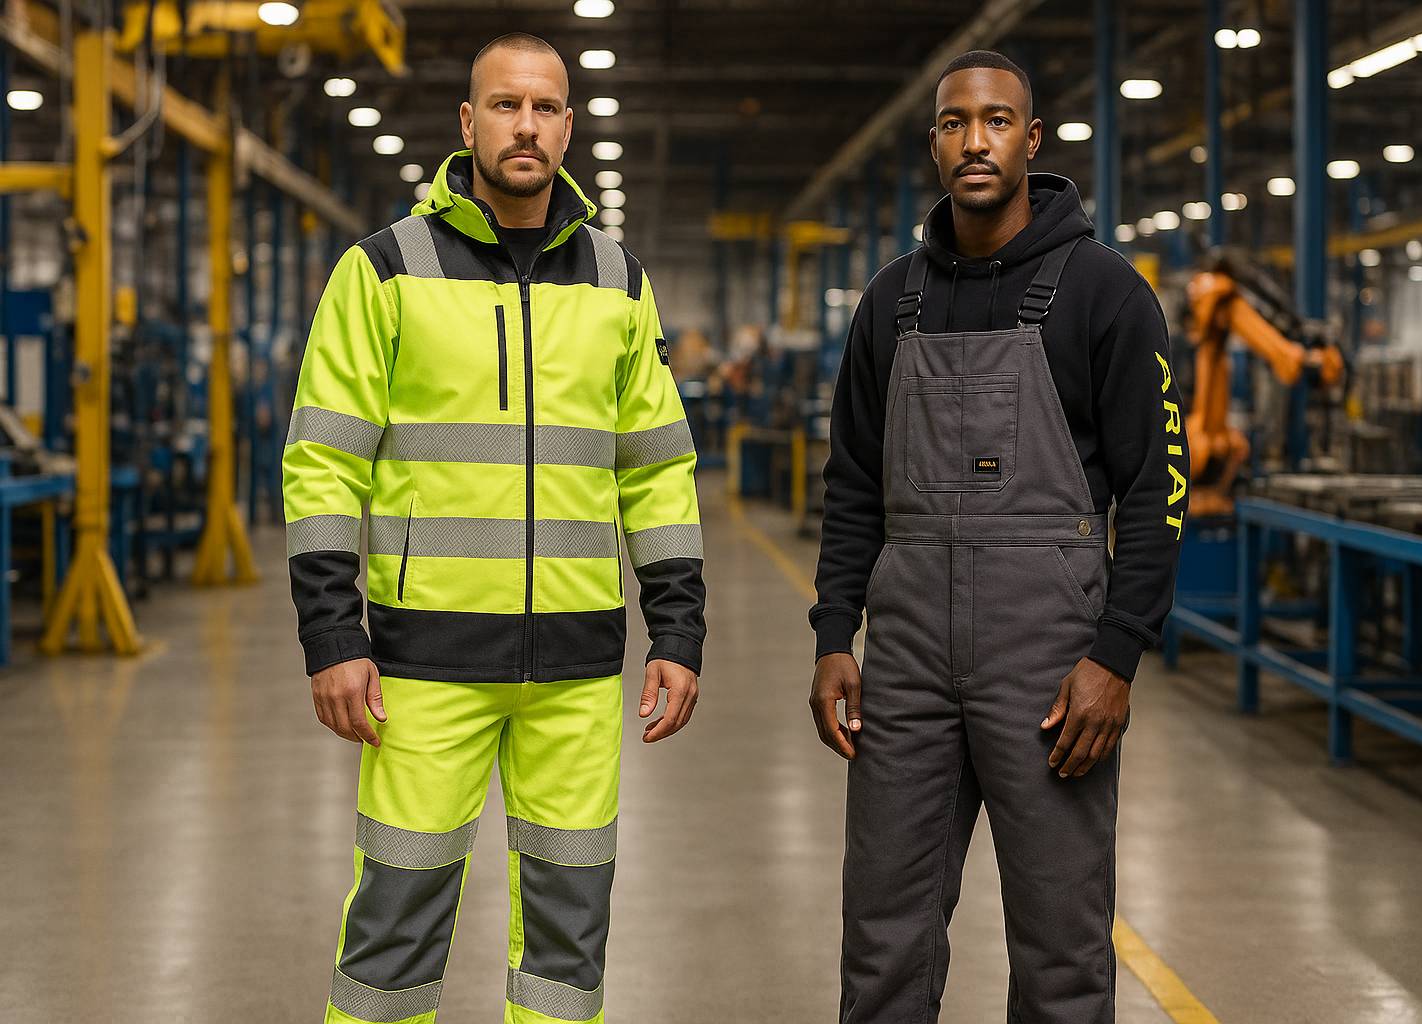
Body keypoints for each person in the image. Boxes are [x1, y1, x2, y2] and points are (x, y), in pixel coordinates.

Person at [282, 32, 705, 1024]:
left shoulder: (616, 279)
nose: (527, 124)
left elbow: (657, 468)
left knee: (569, 928)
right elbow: (323, 459)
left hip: (575, 673)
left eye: (546, 107)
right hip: (422, 669)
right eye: (505, 105)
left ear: (568, 126)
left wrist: (678, 629)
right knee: (396, 918)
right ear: (468, 125)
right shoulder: (383, 270)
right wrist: (333, 637)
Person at [808, 49, 1188, 1023]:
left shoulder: (1106, 292)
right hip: (908, 661)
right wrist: (831, 637)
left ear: (1030, 139)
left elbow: (1157, 493)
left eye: (995, 120)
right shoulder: (893, 302)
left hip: (1050, 666)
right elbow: (852, 484)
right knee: (882, 933)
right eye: (952, 122)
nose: (974, 140)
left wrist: (1117, 654)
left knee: (1062, 943)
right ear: (933, 141)